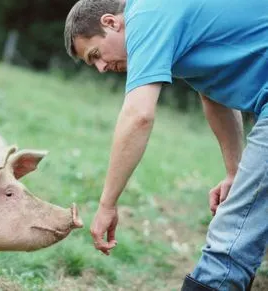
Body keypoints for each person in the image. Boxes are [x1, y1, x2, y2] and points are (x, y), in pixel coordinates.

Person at [64, 0, 268, 290]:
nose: (101, 67)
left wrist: (106, 204)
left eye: (96, 54)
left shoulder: (146, 16)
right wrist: (234, 172)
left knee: (231, 241)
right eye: (92, 63)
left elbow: (138, 116)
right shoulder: (168, 18)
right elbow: (213, 95)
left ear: (111, 22)